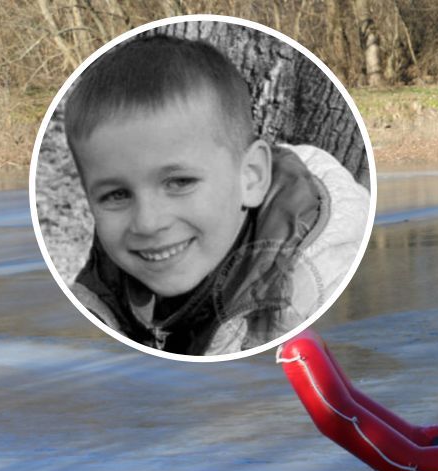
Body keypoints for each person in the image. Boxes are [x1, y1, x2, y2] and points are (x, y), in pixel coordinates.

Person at [63, 34, 370, 355]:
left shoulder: (316, 290)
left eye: (179, 182)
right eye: (116, 195)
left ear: (251, 178)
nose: (148, 222)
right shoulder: (96, 294)